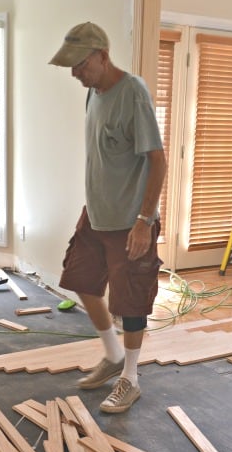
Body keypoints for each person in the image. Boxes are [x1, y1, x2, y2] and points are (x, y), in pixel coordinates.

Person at [49, 22, 167, 413]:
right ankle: (113, 353)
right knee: (80, 279)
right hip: (96, 214)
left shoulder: (132, 92)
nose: (74, 74)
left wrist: (143, 222)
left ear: (102, 56)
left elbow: (157, 160)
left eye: (80, 65)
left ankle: (130, 379)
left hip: (129, 220)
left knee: (130, 302)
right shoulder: (94, 94)